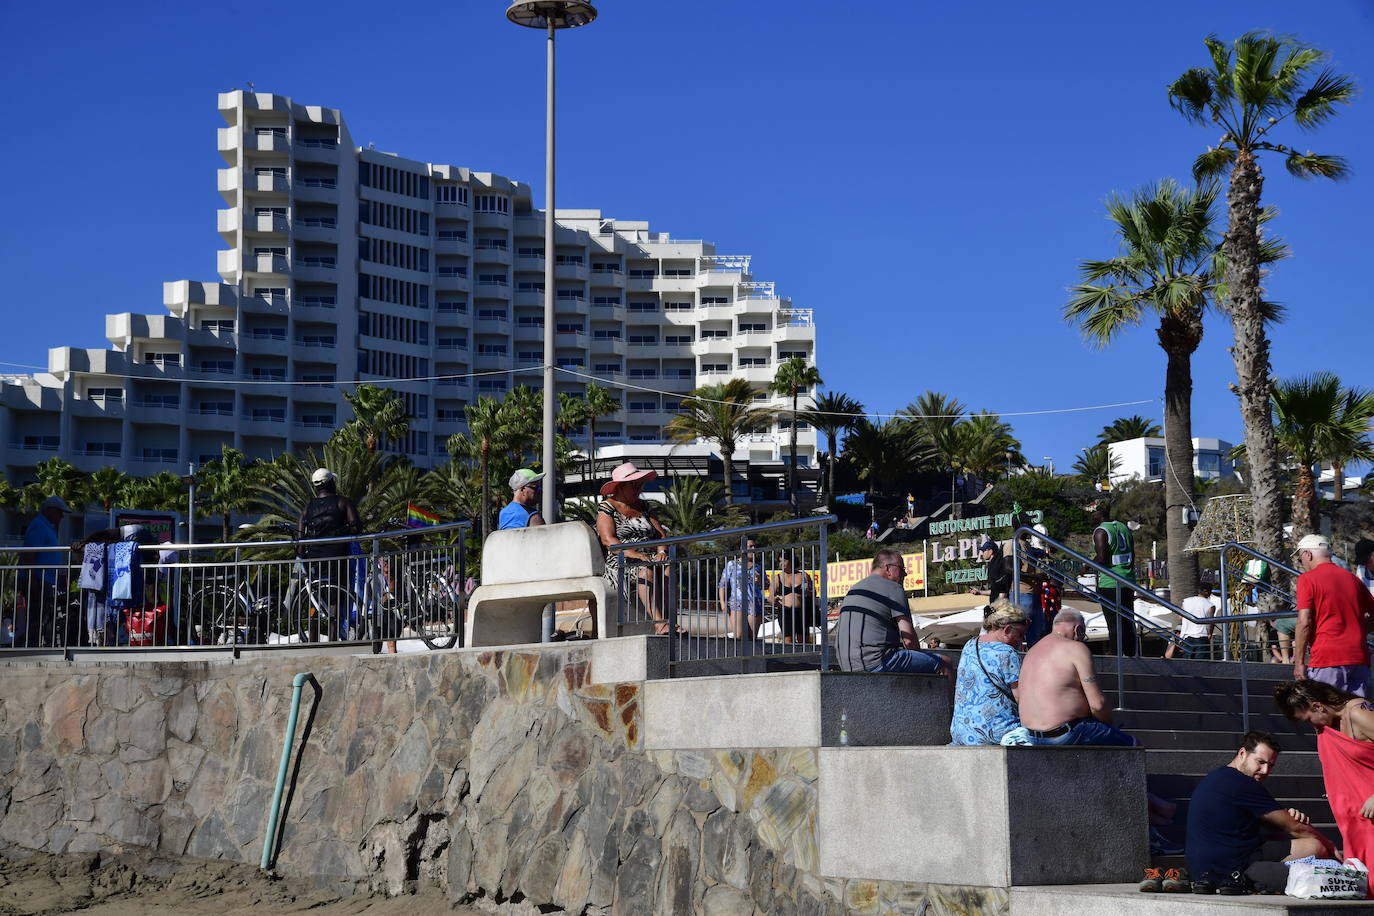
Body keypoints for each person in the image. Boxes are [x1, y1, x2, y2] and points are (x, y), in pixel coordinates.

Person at [1183, 730, 1335, 895]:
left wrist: (1286, 816)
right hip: (1232, 867)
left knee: (1280, 834)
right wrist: (1330, 845)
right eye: (1260, 762)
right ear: (1242, 753)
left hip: (1202, 869)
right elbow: (1295, 828)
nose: (1265, 770)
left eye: (1270, 765)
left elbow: (1275, 824)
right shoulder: (1242, 783)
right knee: (1316, 846)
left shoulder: (1218, 778)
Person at [1274, 679, 1374, 872]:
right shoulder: (1329, 726)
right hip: (1360, 817)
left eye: (1308, 719)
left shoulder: (1358, 712)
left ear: (1318, 706)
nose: (1311, 726)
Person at [1017, 609, 1136, 746]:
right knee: (1133, 744)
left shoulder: (1032, 651)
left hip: (1032, 736)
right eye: (1083, 634)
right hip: (1066, 732)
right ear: (1078, 629)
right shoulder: (1076, 648)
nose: (1082, 639)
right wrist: (1111, 725)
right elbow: (1097, 705)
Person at [835, 549, 950, 675]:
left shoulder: (854, 589)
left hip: (847, 666)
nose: (905, 574)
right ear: (888, 568)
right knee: (945, 663)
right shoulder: (893, 587)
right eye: (902, 568)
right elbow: (909, 641)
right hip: (878, 662)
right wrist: (920, 656)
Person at [596, 462, 676, 636]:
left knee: (669, 570)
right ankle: (659, 623)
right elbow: (609, 541)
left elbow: (661, 535)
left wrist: (661, 552)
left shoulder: (645, 507)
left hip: (648, 557)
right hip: (621, 560)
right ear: (621, 487)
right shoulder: (607, 508)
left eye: (640, 484)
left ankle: (670, 620)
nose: (639, 488)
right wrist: (635, 554)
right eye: (634, 484)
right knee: (646, 570)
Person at [1292, 533, 1374, 695]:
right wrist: (1359, 632)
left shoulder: (1307, 579)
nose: (1301, 563)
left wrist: (1299, 662)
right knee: (1357, 715)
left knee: (1326, 714)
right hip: (1358, 656)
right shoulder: (1352, 579)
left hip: (1327, 658)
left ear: (1308, 554)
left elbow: (1304, 622)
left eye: (1300, 557)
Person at [950, 602, 1028, 745]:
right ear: (1007, 629)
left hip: (961, 732)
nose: (1021, 640)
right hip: (995, 732)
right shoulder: (1007, 653)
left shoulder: (969, 645)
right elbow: (1021, 698)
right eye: (1020, 634)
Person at [16, 496, 75, 647]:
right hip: (38, 579)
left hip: (46, 579)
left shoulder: (47, 526)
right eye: (59, 512)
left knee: (42, 615)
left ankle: (32, 644)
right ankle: (29, 646)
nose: (62, 516)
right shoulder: (39, 525)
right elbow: (29, 553)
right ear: (50, 511)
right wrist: (32, 579)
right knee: (36, 615)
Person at [1086, 499, 1138, 657]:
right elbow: (1133, 554)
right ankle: (1130, 655)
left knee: (1114, 623)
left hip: (1110, 582)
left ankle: (1116, 657)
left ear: (1100, 513)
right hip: (1128, 580)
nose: (1090, 517)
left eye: (1092, 513)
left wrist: (1086, 565)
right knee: (1128, 621)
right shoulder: (1123, 527)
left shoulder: (1101, 531)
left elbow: (1101, 558)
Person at [719, 537, 764, 640]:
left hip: (754, 602)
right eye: (750, 546)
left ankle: (751, 656)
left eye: (755, 546)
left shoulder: (759, 566)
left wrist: (760, 580)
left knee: (751, 638)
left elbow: (766, 585)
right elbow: (722, 584)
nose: (753, 549)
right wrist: (722, 602)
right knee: (739, 636)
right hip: (737, 602)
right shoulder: (732, 564)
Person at [772, 552, 818, 645]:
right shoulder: (777, 578)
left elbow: (813, 593)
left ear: (791, 561)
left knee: (804, 642)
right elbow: (770, 597)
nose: (781, 563)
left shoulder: (803, 575)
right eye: (780, 561)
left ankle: (805, 659)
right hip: (785, 612)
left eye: (784, 560)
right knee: (788, 642)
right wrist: (775, 601)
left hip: (802, 612)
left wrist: (809, 592)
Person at [1166, 584, 1218, 660]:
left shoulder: (1186, 601)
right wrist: (1210, 634)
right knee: (1201, 663)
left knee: (1188, 662)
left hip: (1187, 636)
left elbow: (1180, 617)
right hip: (1201, 636)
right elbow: (1210, 622)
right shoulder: (1210, 605)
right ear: (1209, 593)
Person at [969, 538, 1012, 604]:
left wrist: (999, 606)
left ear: (990, 551)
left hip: (1001, 606)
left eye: (984, 551)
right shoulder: (994, 564)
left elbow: (1003, 588)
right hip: (998, 604)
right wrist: (980, 592)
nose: (982, 553)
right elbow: (995, 590)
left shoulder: (997, 566)